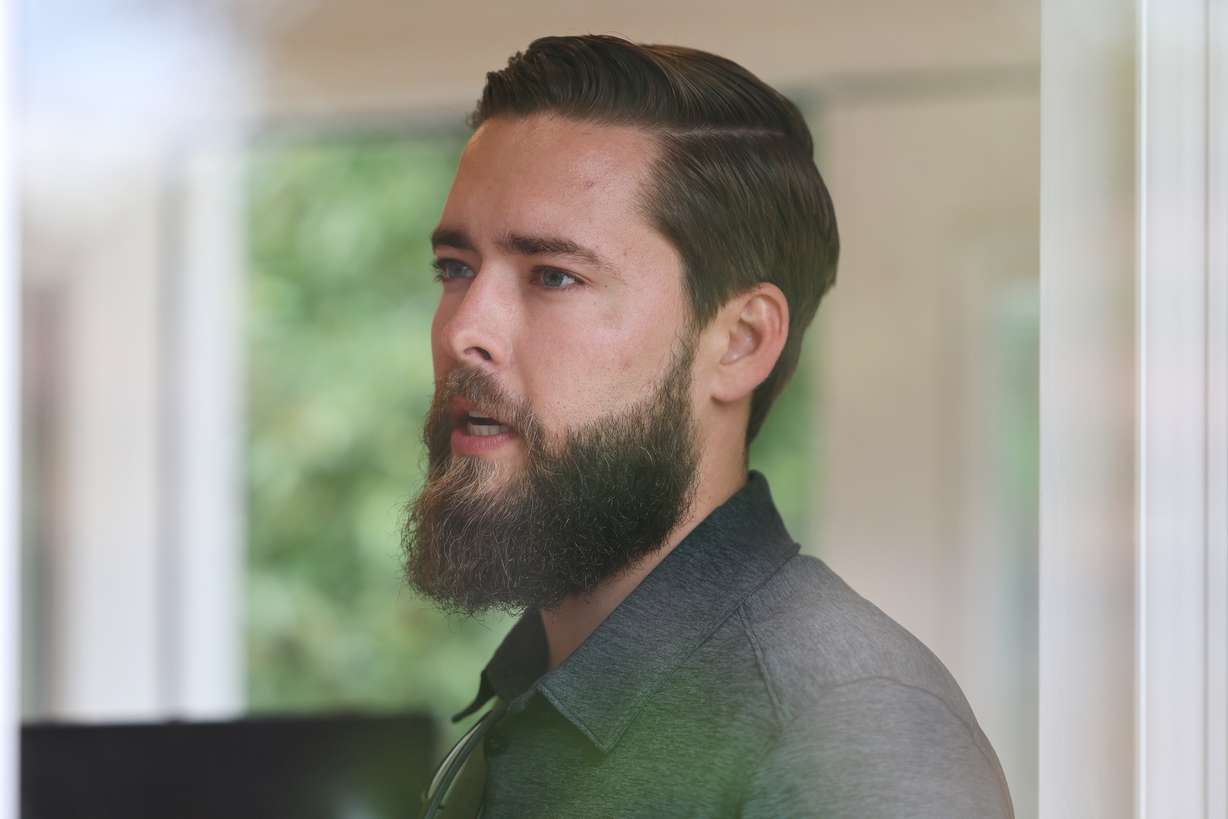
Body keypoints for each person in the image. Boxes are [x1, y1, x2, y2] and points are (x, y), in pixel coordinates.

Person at [403, 34, 1014, 818]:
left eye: (553, 275)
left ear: (740, 342)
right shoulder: (523, 710)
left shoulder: (849, 727)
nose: (463, 331)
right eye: (456, 268)